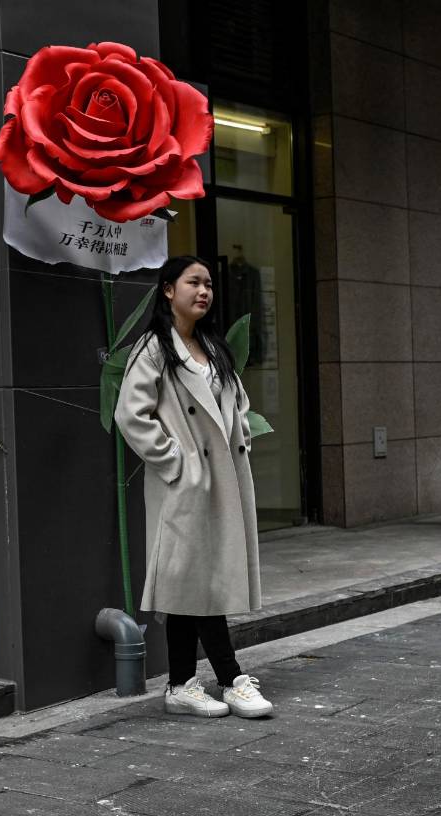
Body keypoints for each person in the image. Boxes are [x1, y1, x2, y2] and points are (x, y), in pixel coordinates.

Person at [115, 255, 273, 719]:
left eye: (208, 284)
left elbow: (238, 404)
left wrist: (240, 440)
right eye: (193, 283)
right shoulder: (154, 348)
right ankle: (232, 679)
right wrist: (176, 461)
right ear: (168, 290)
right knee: (198, 579)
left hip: (222, 481)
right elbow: (130, 414)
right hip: (185, 485)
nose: (203, 291)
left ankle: (180, 684)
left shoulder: (210, 345)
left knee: (187, 583)